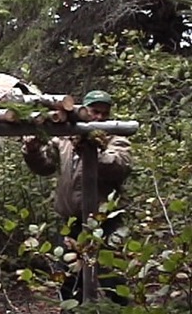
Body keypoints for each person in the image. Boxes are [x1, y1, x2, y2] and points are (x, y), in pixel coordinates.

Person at [21, 90, 132, 306]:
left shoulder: (115, 137)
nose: (99, 117)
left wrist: (92, 151)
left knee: (111, 274)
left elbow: (119, 166)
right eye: (94, 111)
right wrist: (32, 151)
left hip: (105, 221)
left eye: (104, 113)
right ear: (83, 110)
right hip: (71, 220)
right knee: (70, 277)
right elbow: (45, 166)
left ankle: (121, 310)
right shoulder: (65, 138)